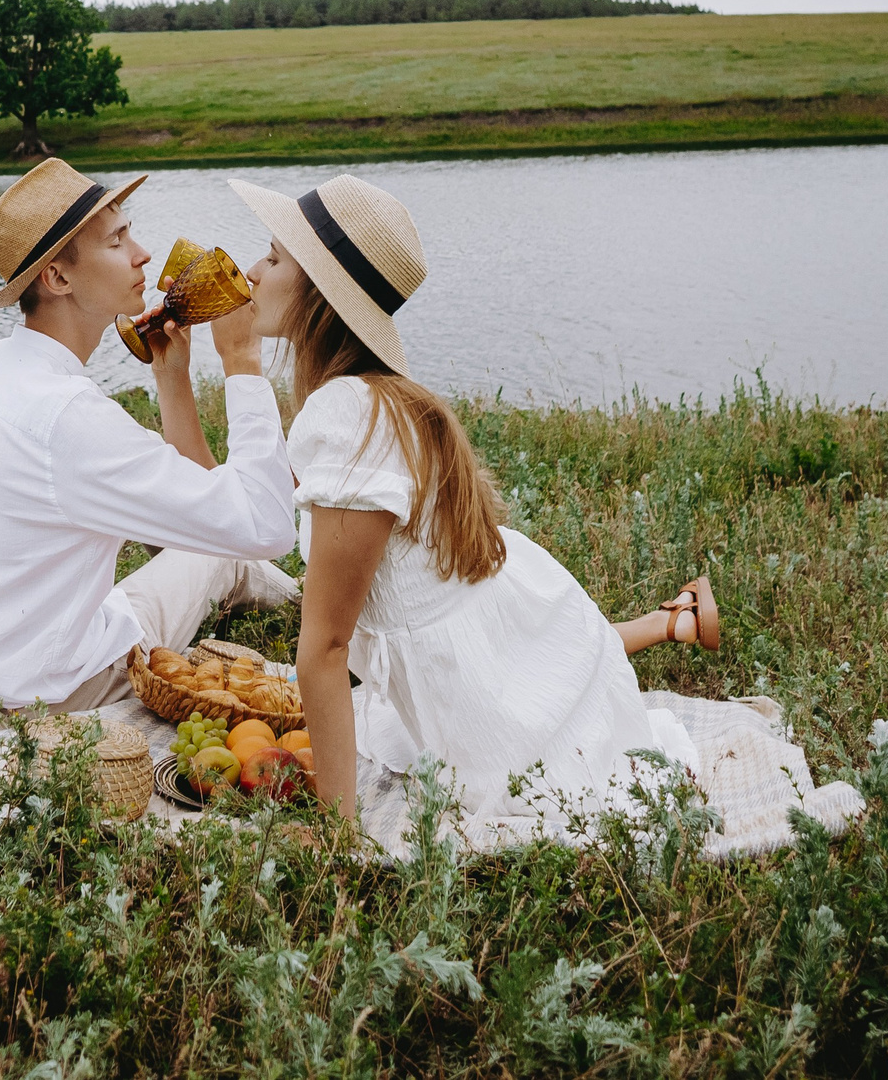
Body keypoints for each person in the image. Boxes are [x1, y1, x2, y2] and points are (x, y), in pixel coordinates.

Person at [229, 173, 714, 824]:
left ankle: (673, 621)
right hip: (506, 635)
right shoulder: (370, 399)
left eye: (274, 256)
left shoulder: (345, 417)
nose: (252, 271)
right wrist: (197, 371)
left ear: (318, 293)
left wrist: (338, 837)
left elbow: (325, 648)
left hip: (485, 692)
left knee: (546, 805)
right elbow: (241, 511)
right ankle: (674, 619)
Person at [0, 157, 300, 710]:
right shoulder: (71, 420)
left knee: (210, 547)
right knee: (218, 557)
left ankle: (294, 601)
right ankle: (310, 608)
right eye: (117, 241)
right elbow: (264, 524)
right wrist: (242, 358)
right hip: (50, 684)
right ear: (57, 277)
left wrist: (171, 376)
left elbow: (201, 516)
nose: (143, 254)